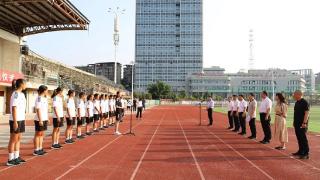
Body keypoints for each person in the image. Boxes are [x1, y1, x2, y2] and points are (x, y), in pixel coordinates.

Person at [7, 79, 27, 166]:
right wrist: (15, 122)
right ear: (21, 84)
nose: (26, 85)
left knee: (18, 138)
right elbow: (14, 108)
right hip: (15, 119)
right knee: (13, 139)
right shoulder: (15, 94)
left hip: (21, 119)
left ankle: (16, 156)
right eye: (25, 83)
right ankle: (10, 159)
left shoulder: (22, 94)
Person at [292, 90, 310, 159]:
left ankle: (306, 153)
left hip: (302, 124)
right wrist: (294, 121)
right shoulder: (297, 103)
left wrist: (304, 123)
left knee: (303, 138)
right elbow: (295, 113)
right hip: (297, 123)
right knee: (299, 137)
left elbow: (307, 113)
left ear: (298, 94)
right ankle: (301, 151)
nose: (293, 96)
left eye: (294, 94)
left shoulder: (305, 102)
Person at [33, 85, 49, 156]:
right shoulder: (39, 98)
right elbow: (38, 109)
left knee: (42, 134)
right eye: (47, 90)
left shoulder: (45, 98)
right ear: (44, 91)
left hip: (44, 118)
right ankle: (36, 149)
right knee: (38, 134)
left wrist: (47, 118)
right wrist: (40, 120)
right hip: (39, 119)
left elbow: (45, 110)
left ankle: (40, 148)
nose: (47, 92)